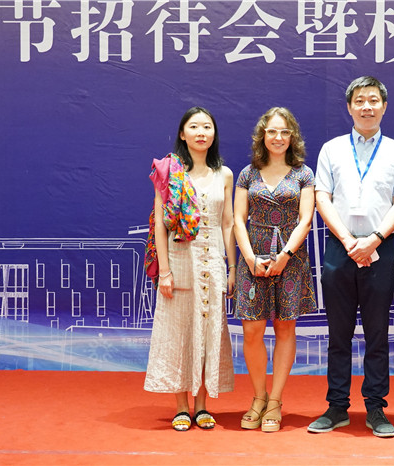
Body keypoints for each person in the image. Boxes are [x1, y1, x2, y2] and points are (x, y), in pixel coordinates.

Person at [308, 76, 394, 438]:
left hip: (380, 248)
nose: (367, 106)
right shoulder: (332, 149)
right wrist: (349, 241)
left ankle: (375, 408)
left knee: (377, 334)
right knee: (338, 334)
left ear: (384, 107)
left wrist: (374, 240)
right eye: (359, 100)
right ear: (349, 107)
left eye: (373, 100)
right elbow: (322, 197)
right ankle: (337, 406)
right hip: (340, 248)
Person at [144, 107, 236, 431]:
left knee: (209, 334)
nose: (201, 132)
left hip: (213, 265)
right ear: (183, 134)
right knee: (179, 333)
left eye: (207, 127)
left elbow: (228, 223)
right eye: (194, 127)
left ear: (214, 134)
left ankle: (202, 405)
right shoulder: (170, 173)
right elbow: (160, 225)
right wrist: (165, 272)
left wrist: (232, 267)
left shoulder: (224, 175)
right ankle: (181, 407)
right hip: (180, 260)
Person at [234, 107, 317, 433]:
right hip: (251, 259)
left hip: (290, 260)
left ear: (292, 136)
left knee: (285, 329)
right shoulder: (248, 173)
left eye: (284, 132)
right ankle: (258, 397)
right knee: (252, 331)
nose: (278, 137)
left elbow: (306, 219)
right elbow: (238, 219)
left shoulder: (303, 174)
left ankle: (276, 401)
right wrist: (250, 258)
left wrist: (285, 255)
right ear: (262, 136)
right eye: (272, 131)